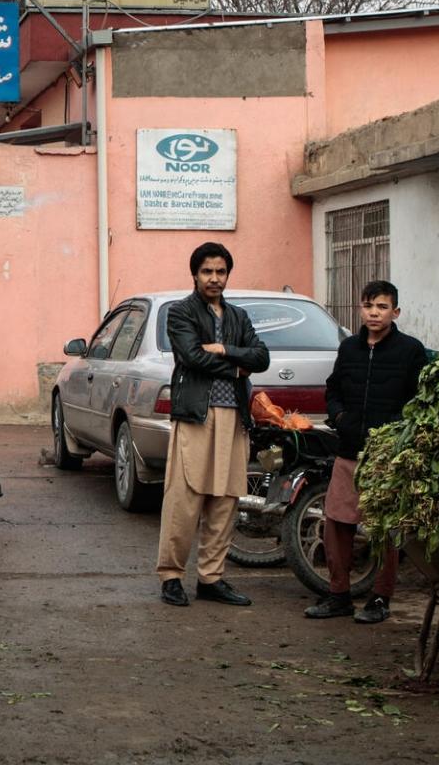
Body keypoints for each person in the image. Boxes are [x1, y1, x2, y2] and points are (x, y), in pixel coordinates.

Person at [305, 279, 428, 624]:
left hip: (387, 455)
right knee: (337, 522)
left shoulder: (410, 350)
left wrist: (392, 429)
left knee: (384, 529)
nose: (374, 313)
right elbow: (333, 388)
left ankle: (380, 598)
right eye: (369, 306)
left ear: (395, 312)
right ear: (361, 308)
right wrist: (340, 416)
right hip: (348, 451)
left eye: (382, 307)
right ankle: (338, 594)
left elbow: (418, 400)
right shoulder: (349, 349)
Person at [156, 242, 269, 607]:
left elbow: (262, 356)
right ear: (195, 274)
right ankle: (172, 576)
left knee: (225, 500)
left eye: (221, 272)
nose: (214, 278)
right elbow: (191, 357)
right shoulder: (181, 312)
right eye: (207, 271)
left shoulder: (238, 316)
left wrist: (224, 349)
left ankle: (211, 578)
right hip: (196, 417)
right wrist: (238, 366)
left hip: (234, 418)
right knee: (184, 500)